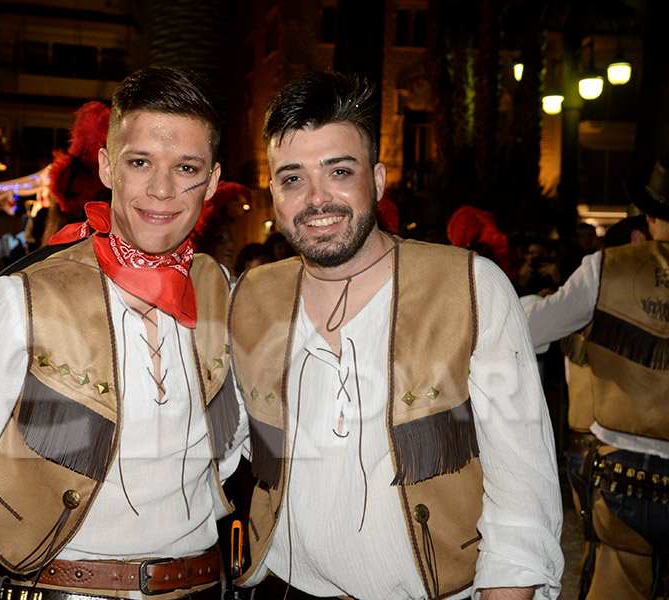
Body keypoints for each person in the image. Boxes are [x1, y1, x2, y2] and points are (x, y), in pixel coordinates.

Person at [228, 71, 563, 599]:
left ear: (378, 179)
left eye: (339, 171)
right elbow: (233, 445)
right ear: (273, 191)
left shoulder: (470, 288)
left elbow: (523, 491)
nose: (316, 199)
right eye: (292, 178)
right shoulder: (248, 298)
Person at [0, 66, 246, 600]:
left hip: (201, 586)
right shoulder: (21, 297)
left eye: (185, 167)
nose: (162, 189)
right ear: (105, 166)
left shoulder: (221, 290)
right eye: (140, 162)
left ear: (212, 180)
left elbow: (231, 445)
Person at [521, 153, 669, 599]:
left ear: (649, 215)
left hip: (620, 476)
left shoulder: (606, 268)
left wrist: (523, 301)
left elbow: (532, 328)